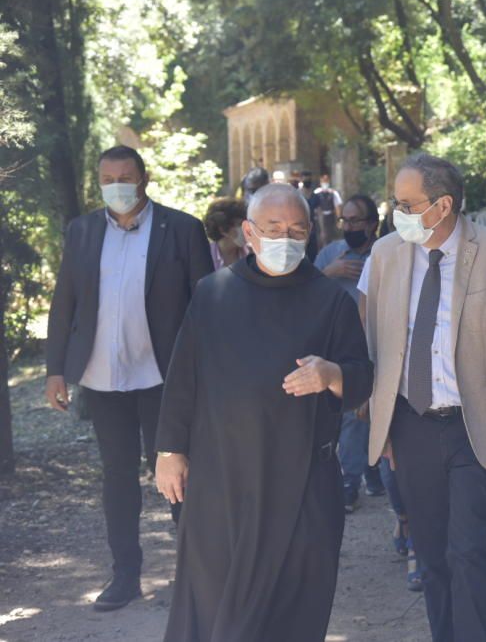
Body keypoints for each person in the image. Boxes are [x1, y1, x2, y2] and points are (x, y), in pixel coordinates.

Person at [154, 183, 373, 641]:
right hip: (221, 482)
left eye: (296, 229)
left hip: (302, 483)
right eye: (274, 228)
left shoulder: (330, 299)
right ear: (249, 234)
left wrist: (331, 374)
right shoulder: (212, 293)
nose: (286, 239)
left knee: (291, 611)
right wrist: (170, 450)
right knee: (215, 608)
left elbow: (361, 377)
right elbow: (183, 379)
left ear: (311, 233)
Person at [358, 153, 486, 642]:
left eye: (405, 203)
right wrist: (382, 425)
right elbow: (374, 346)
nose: (396, 212)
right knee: (433, 554)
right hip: (412, 423)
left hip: (475, 424)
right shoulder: (386, 255)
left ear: (442, 205)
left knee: (471, 550)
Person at [44, 145, 213, 611]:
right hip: (102, 379)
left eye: (125, 176)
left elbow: (206, 306)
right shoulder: (81, 231)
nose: (116, 185)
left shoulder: (181, 229)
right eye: (107, 177)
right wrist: (55, 368)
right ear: (98, 182)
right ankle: (125, 576)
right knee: (116, 478)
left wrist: (210, 372)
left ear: (144, 178)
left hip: (166, 378)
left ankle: (194, 579)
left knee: (178, 476)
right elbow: (65, 303)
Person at [314, 195, 385, 510]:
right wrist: (329, 272)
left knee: (370, 411)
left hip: (379, 343)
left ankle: (365, 474)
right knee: (353, 413)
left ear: (373, 225)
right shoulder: (329, 254)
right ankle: (350, 481)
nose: (350, 226)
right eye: (345, 220)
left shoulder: (386, 253)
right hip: (338, 346)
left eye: (357, 221)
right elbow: (302, 294)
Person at [203, 198, 249, 270]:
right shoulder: (204, 256)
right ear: (223, 229)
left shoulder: (252, 254)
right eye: (240, 224)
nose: (247, 229)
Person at [313, 173, 343, 247]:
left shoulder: (333, 193)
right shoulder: (316, 193)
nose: (324, 183)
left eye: (326, 181)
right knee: (320, 235)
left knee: (329, 235)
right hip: (319, 217)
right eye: (323, 181)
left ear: (329, 182)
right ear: (320, 182)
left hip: (330, 217)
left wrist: (339, 219)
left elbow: (337, 206)